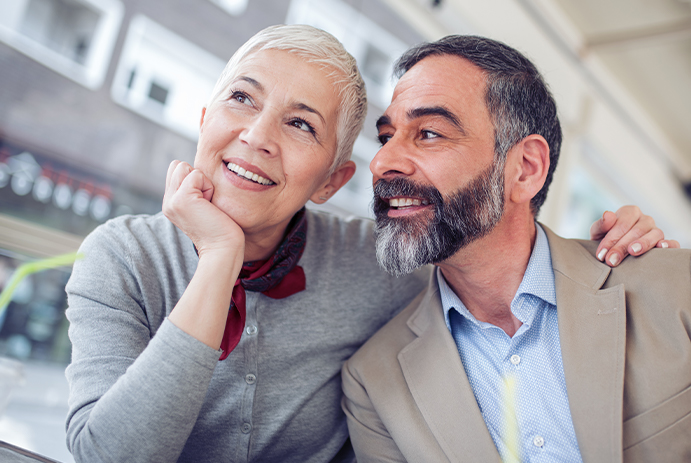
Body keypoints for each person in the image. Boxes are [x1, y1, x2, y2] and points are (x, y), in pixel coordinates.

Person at [65, 25, 669, 463]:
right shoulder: (121, 258)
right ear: (204, 119)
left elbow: (483, 249)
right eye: (241, 98)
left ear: (332, 181)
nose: (256, 135)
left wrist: (619, 248)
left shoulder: (383, 263)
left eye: (301, 124)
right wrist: (218, 260)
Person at [341, 35, 691, 463]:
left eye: (428, 133)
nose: (381, 164)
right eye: (385, 138)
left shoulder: (676, 288)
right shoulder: (373, 384)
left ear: (525, 169)